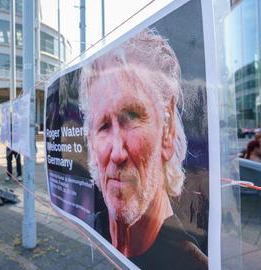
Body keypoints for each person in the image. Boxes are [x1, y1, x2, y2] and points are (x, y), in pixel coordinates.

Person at [79, 29, 207, 269]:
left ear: (167, 130)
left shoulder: (193, 265)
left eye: (133, 117)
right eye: (104, 126)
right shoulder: (94, 230)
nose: (117, 153)